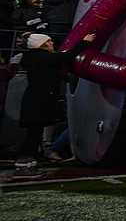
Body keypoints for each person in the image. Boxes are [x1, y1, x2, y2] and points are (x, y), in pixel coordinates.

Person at [13, 31, 95, 177]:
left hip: (35, 100)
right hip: (38, 101)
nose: (52, 43)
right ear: (42, 44)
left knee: (34, 133)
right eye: (49, 41)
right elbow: (66, 56)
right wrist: (85, 42)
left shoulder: (34, 58)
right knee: (32, 134)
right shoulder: (42, 57)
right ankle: (23, 165)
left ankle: (27, 162)